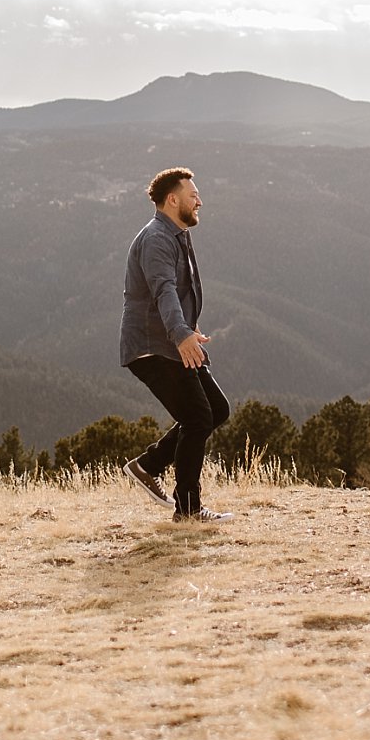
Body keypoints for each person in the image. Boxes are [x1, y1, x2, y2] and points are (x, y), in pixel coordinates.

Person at [119, 167, 232, 522]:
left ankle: (149, 464)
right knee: (198, 417)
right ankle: (187, 509)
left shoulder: (175, 234)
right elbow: (164, 289)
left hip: (170, 339)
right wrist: (180, 334)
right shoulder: (156, 239)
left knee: (216, 409)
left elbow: (178, 292)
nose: (199, 200)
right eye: (192, 195)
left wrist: (188, 328)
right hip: (153, 347)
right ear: (173, 200)